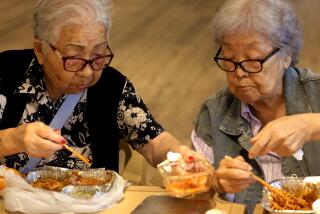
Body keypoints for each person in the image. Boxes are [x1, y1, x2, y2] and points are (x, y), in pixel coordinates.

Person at [0, 0, 199, 174]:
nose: (87, 73)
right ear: (40, 50)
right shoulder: (6, 74)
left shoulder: (111, 87)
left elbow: (155, 144)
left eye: (98, 56)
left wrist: (178, 155)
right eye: (74, 58)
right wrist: (13, 139)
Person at [192, 0, 320, 212]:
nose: (239, 72)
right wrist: (214, 182)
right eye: (230, 60)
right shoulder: (213, 114)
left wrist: (312, 125)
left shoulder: (316, 92)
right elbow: (195, 194)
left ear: (286, 55)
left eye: (253, 60)